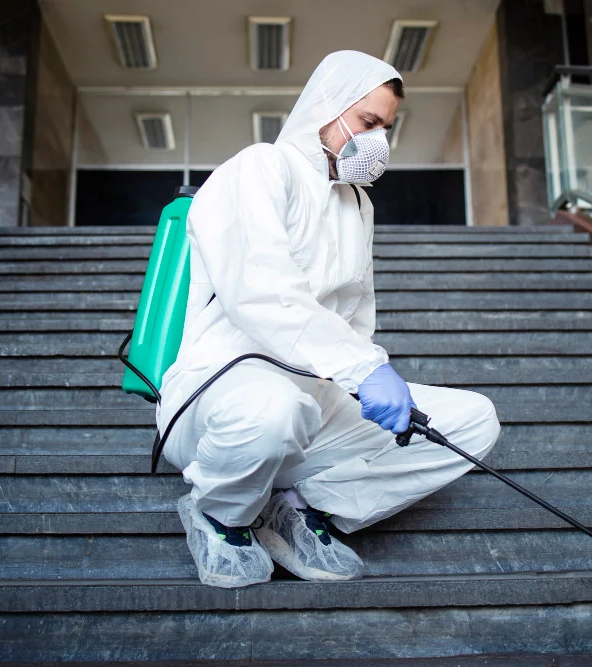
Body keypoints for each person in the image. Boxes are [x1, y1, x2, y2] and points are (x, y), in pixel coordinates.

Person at [156, 50, 501, 588]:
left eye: (387, 128)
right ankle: (222, 513)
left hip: (314, 403)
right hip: (223, 396)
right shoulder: (260, 168)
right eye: (367, 123)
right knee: (274, 408)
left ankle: (302, 505)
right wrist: (362, 369)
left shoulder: (357, 206)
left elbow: (355, 319)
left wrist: (365, 377)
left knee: (472, 419)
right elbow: (262, 293)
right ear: (327, 106)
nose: (378, 142)